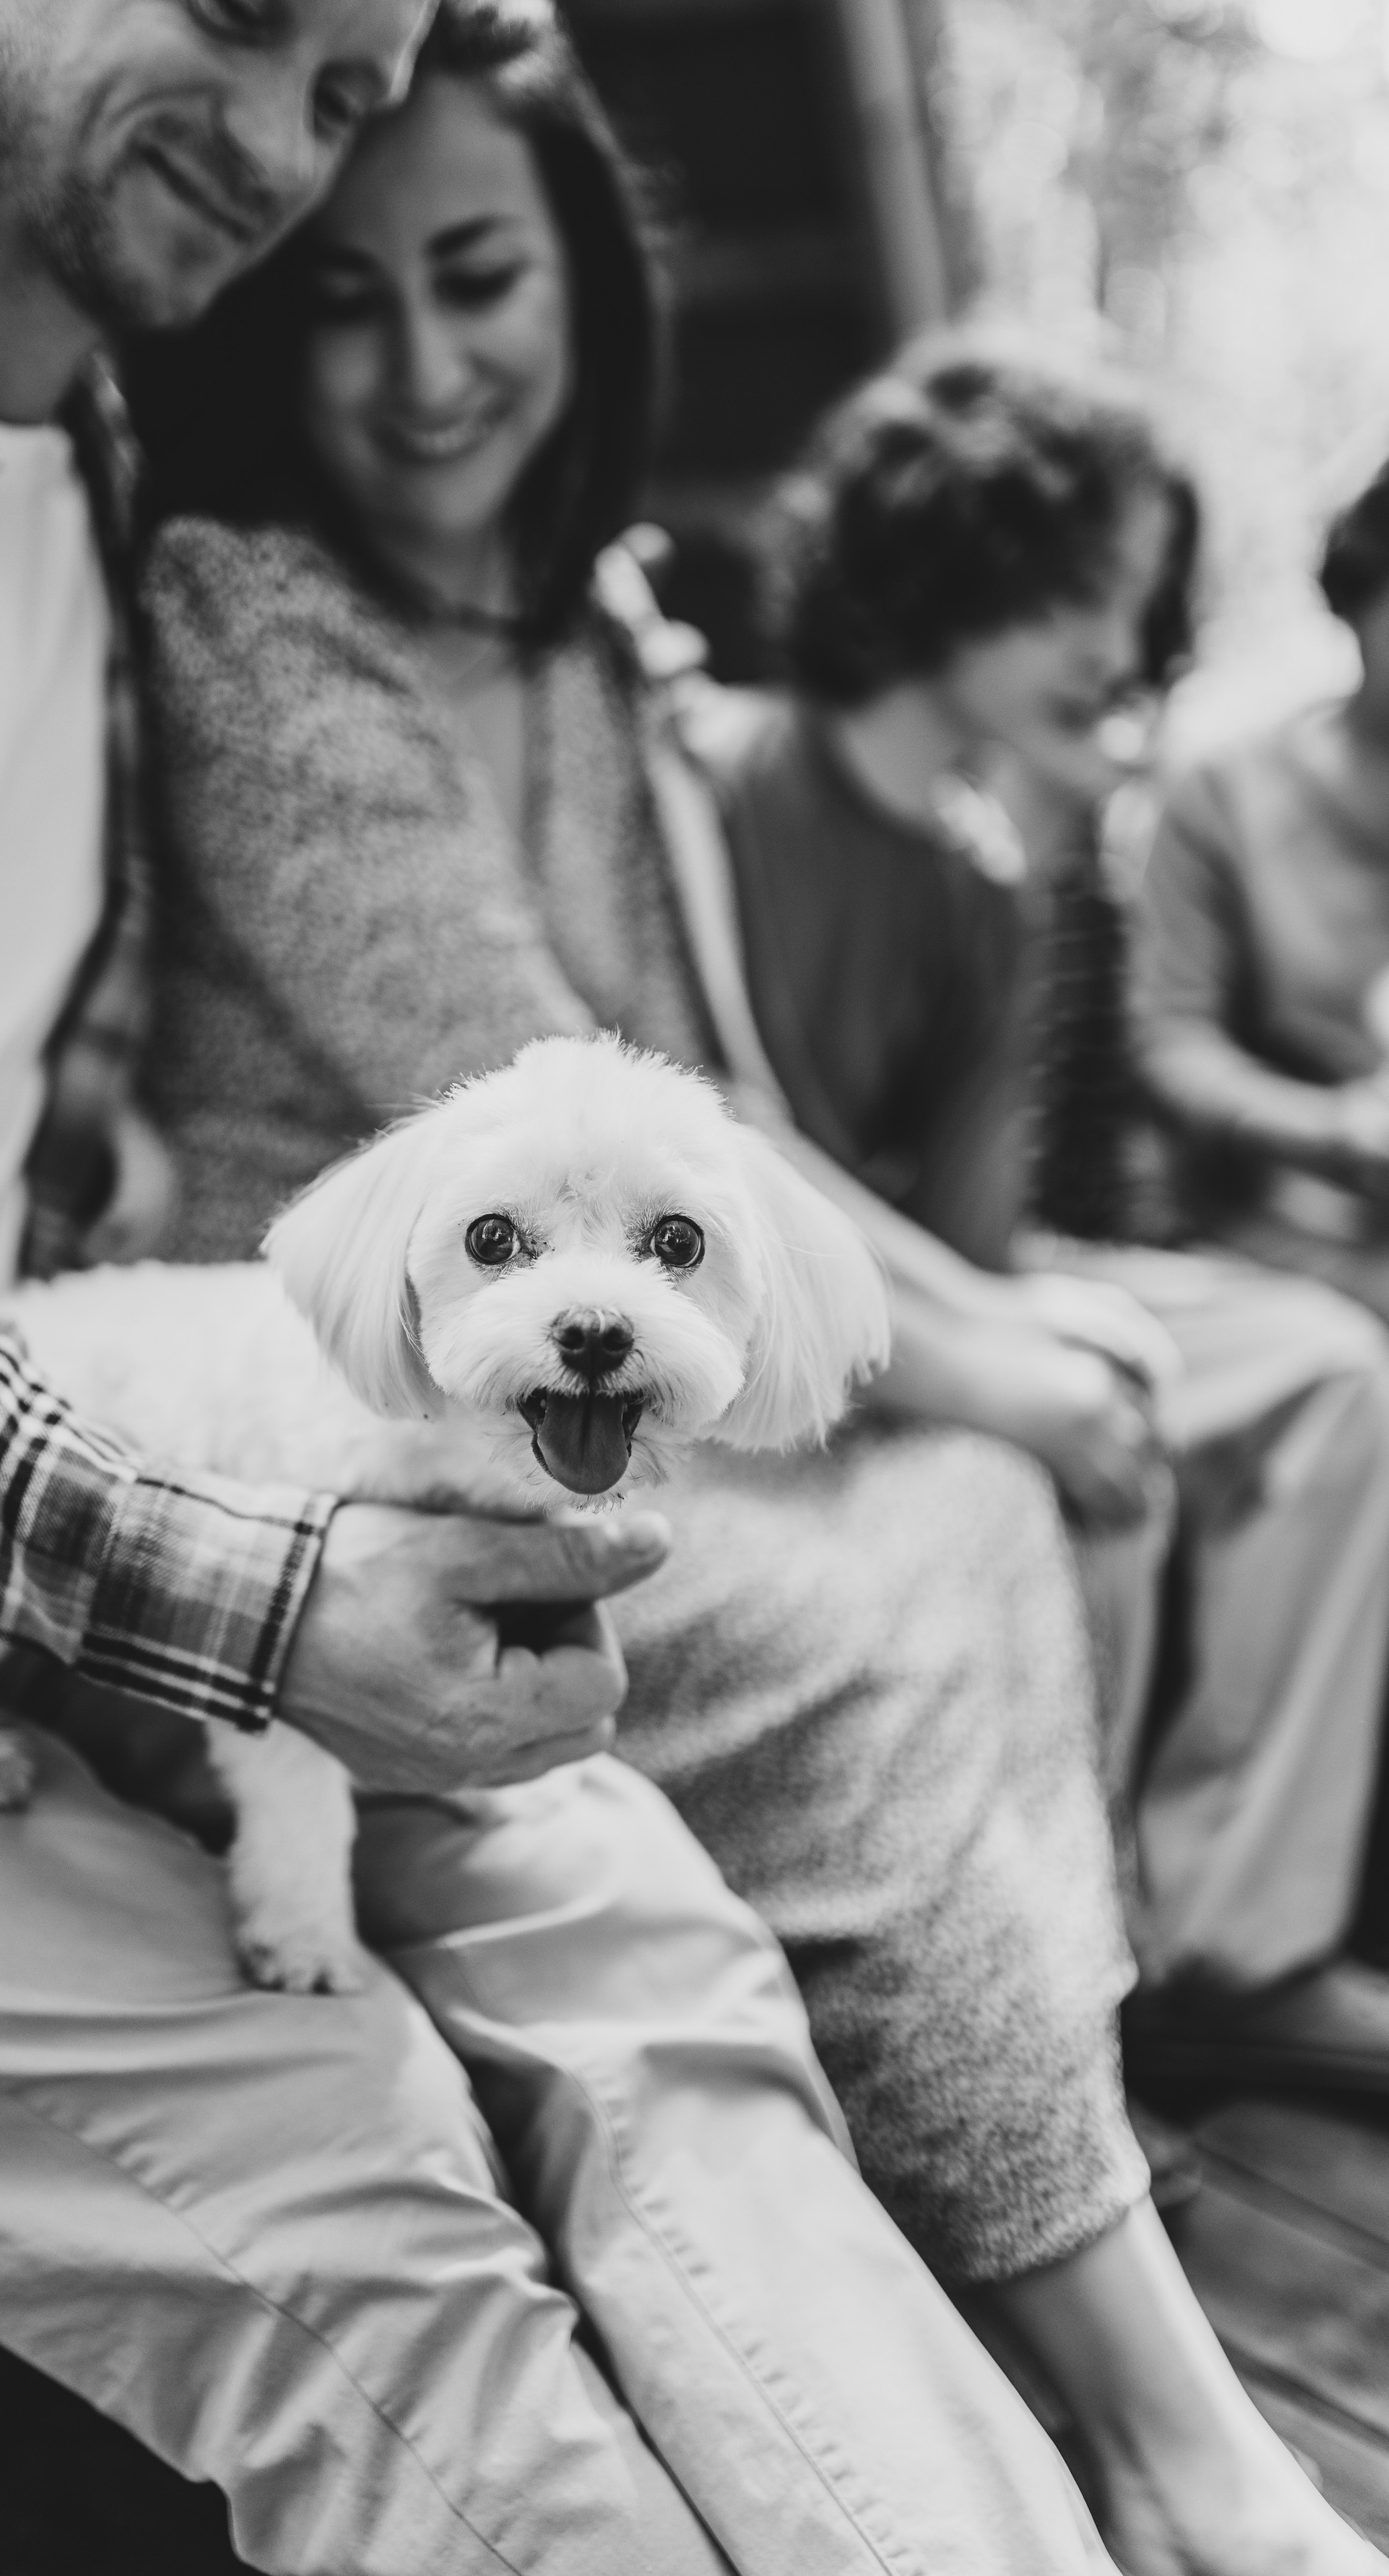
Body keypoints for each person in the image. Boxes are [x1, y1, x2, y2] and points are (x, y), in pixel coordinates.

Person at [0, 3, 1129, 2569]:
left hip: (66, 1506)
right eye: (242, 20)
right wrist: (244, 1599)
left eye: (343, 92)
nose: (276, 145)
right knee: (367, 2180)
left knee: (672, 1987)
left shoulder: (82, 475)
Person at [127, 15, 1381, 2569]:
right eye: (343, 302)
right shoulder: (250, 620)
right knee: (886, 1606)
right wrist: (998, 1351)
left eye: (479, 276)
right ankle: (1172, 2445)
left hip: (608, 1368)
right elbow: (528, 1085)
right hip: (370, 1401)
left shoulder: (586, 641)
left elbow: (729, 1123)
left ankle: (1053, 2188)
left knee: (999, 1517)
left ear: (581, 275)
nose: (426, 365)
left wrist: (1004, 1356)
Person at [699, 340, 1389, 2083]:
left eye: (1134, 602)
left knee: (1325, 1372)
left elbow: (983, 1226)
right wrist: (1011, 1342)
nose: (1114, 642)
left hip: (946, 1275)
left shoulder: (987, 868)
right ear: (962, 552)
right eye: (1088, 589)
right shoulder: (719, 781)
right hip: (772, 1312)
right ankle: (1053, 1990)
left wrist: (1022, 1315)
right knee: (1092, 1432)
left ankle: (1228, 1941)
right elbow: (730, 1143)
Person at [1135, 452, 1389, 1326]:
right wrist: (1333, 1129)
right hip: (1289, 1235)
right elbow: (1173, 1046)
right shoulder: (1227, 796)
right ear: (1359, 599)